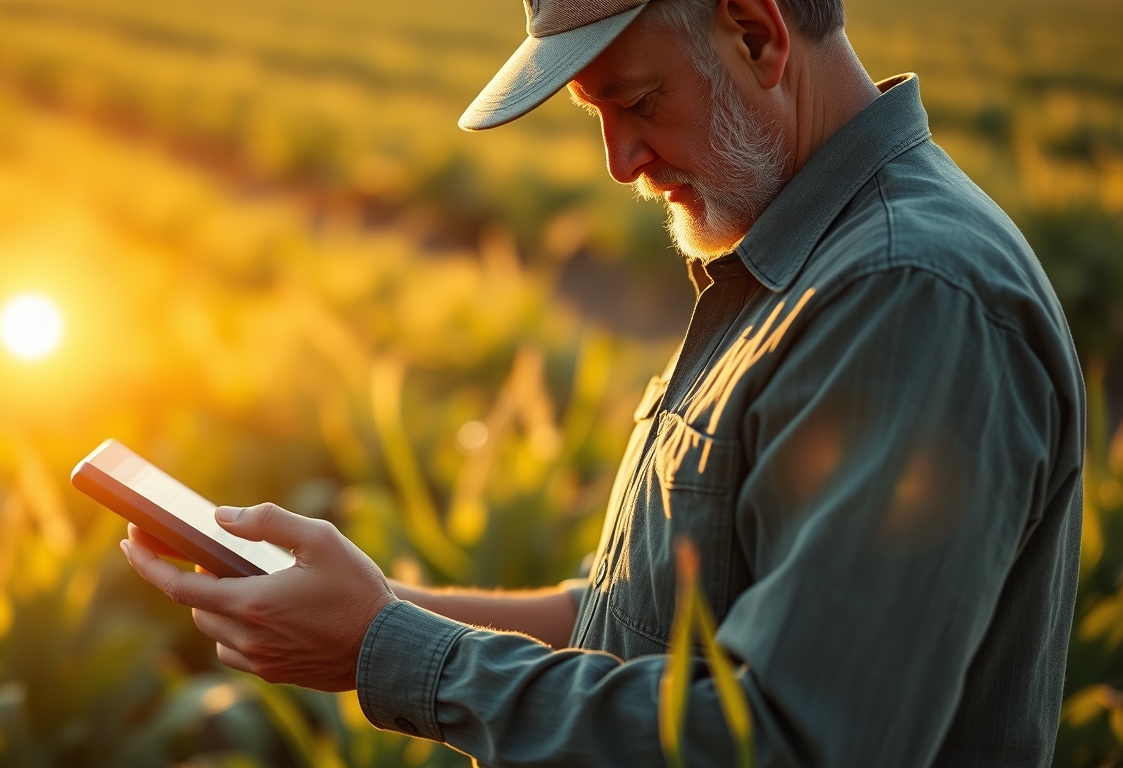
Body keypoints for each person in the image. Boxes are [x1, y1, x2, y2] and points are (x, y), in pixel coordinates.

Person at [120, 0, 1085, 764]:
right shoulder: (793, 262)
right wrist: (368, 611)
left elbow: (796, 744)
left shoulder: (907, 297)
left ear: (755, 33)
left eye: (637, 100)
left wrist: (386, 652)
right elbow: (632, 626)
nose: (621, 162)